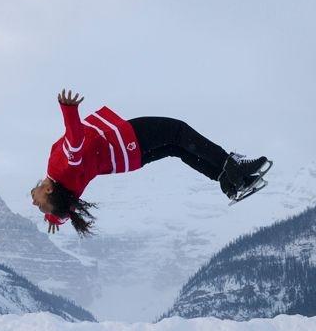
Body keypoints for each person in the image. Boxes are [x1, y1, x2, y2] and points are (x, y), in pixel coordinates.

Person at [30, 89, 271, 236]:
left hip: (129, 161)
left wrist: (53, 217)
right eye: (40, 204)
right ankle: (233, 167)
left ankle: (228, 181)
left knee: (177, 149)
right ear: (49, 189)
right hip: (126, 141)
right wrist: (68, 110)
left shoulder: (68, 193)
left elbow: (64, 210)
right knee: (178, 131)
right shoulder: (60, 170)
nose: (34, 203)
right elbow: (74, 143)